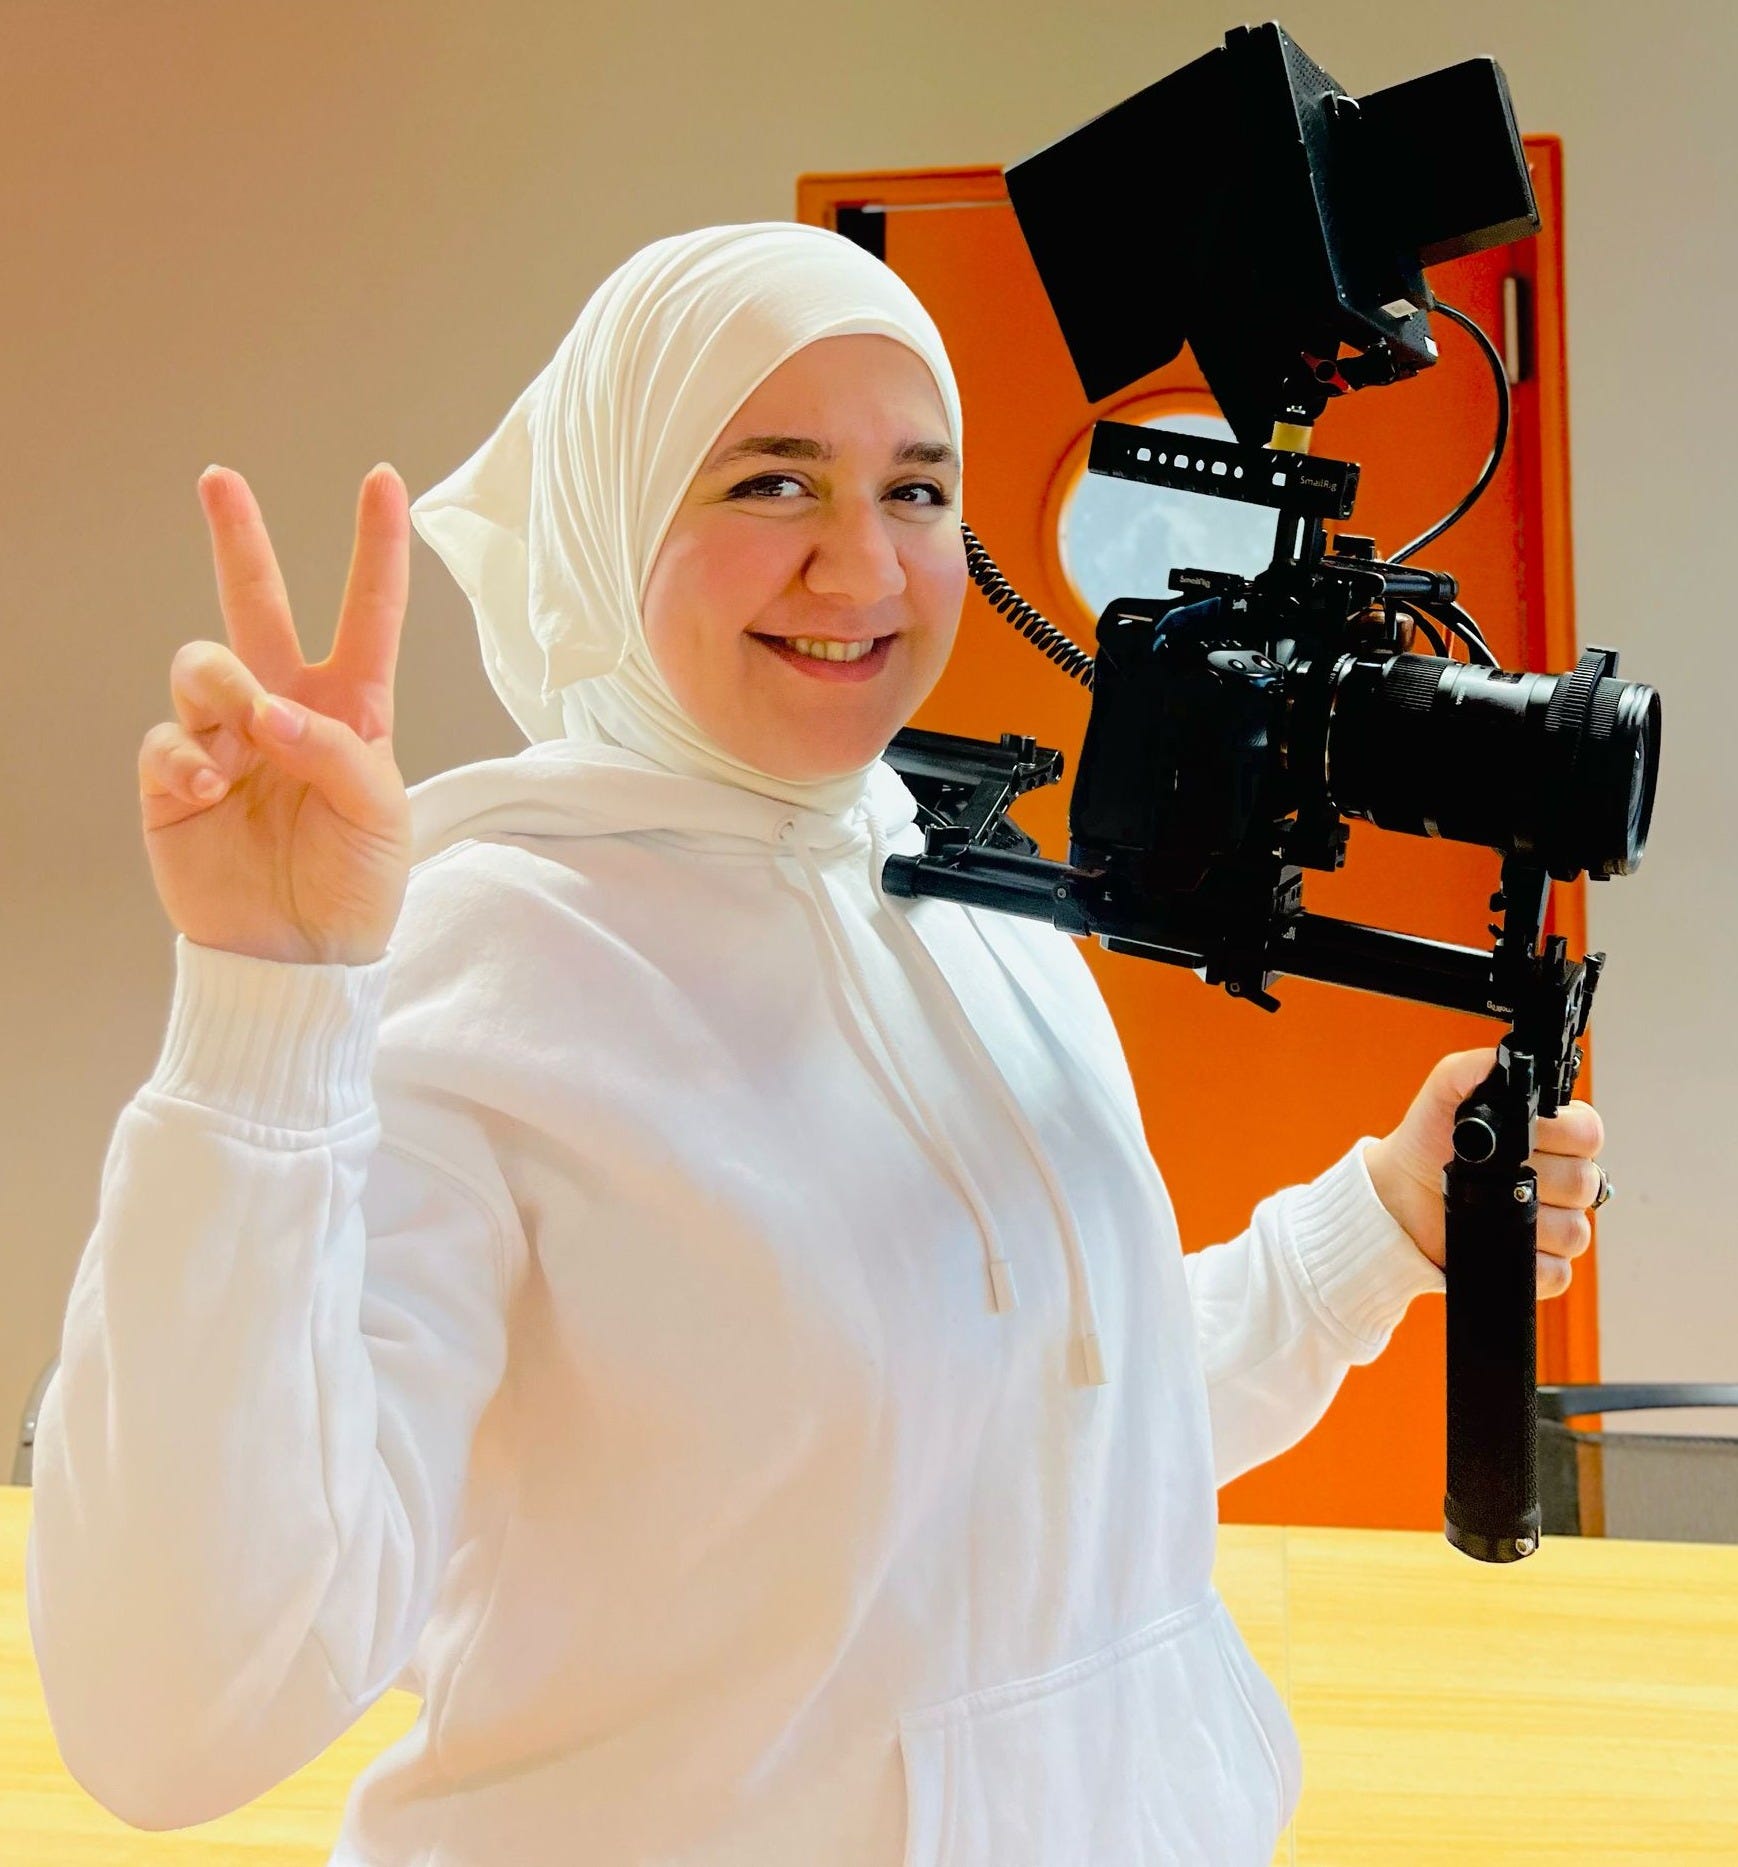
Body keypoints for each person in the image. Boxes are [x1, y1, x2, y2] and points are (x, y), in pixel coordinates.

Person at [26, 221, 1606, 1865]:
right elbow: (184, 1707)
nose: (861, 570)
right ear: (614, 520)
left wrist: (1379, 1223)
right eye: (770, 483)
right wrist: (265, 999)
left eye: (916, 490)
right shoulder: (488, 965)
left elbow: (1063, 1445)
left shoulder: (971, 907)